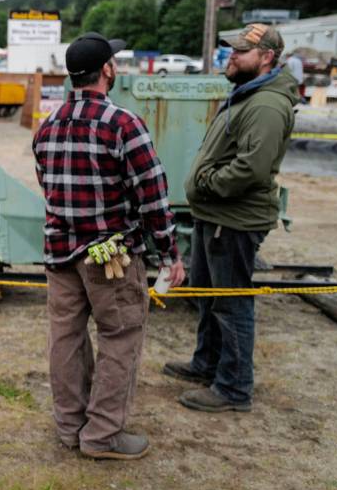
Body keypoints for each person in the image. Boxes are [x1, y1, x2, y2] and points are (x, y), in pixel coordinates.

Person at [33, 32, 185, 461]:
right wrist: (170, 254)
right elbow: (153, 197)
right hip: (111, 257)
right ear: (106, 70)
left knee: (65, 338)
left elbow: (50, 190)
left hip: (60, 253)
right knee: (120, 337)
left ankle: (70, 427)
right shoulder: (124, 124)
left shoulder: (47, 127)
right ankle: (102, 436)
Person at [165, 24, 299, 413]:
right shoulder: (250, 94)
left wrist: (207, 183)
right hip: (216, 215)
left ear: (266, 58)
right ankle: (206, 364)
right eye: (230, 50)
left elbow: (252, 169)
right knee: (208, 297)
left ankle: (234, 388)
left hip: (235, 220)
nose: (231, 57)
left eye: (240, 52)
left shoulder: (266, 105)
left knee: (231, 303)